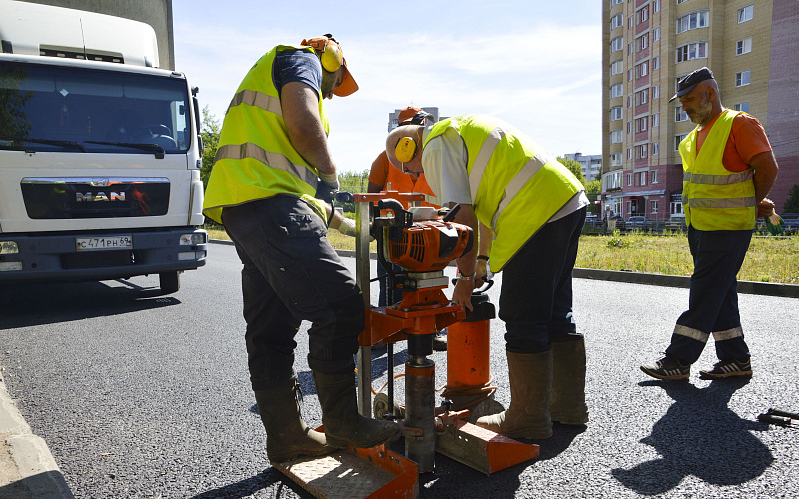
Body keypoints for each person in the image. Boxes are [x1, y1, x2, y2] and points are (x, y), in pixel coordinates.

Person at [202, 35, 399, 463]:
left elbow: (296, 190)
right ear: (330, 59)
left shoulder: (268, 89)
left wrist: (348, 222)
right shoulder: (299, 61)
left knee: (271, 331)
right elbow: (304, 124)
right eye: (334, 83)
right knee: (342, 304)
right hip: (269, 206)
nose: (330, 92)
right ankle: (345, 422)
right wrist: (331, 176)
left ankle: (288, 438)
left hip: (245, 207)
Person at [386, 114, 589, 439]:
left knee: (523, 316)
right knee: (554, 311)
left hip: (535, 210)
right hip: (566, 200)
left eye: (408, 169)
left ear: (408, 147)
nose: (414, 174)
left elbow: (461, 218)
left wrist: (463, 283)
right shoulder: (460, 132)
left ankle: (529, 419)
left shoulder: (437, 143)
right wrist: (480, 260)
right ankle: (567, 408)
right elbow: (482, 211)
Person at [640, 67, 779, 381]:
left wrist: (753, 202)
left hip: (729, 228)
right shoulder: (691, 139)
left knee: (703, 293)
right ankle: (736, 359)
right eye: (683, 102)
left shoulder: (738, 124)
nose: (686, 106)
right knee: (720, 292)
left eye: (690, 99)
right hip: (701, 228)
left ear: (710, 93)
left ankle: (677, 360)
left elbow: (767, 168)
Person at [368, 106, 447, 351]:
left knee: (430, 281)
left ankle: (433, 330)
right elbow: (371, 194)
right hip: (394, 232)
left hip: (430, 230)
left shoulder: (436, 157)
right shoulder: (385, 159)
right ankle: (388, 328)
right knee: (390, 281)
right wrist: (374, 223)